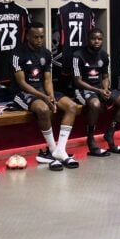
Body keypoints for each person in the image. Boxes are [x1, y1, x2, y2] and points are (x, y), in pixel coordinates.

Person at [12, 22, 79, 171]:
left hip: (42, 90)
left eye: (42, 37)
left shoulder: (46, 53)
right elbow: (22, 83)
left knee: (72, 107)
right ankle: (53, 151)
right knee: (43, 109)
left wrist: (51, 96)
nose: (39, 40)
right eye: (36, 37)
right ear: (28, 36)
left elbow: (48, 79)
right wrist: (43, 97)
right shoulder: (17, 54)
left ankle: (59, 150)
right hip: (23, 93)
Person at [72, 28, 120, 156]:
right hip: (83, 90)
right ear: (88, 39)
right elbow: (77, 81)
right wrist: (98, 90)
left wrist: (105, 89)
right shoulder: (78, 55)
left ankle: (110, 134)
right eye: (93, 39)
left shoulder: (104, 55)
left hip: (100, 88)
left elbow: (105, 76)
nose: (96, 41)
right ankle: (91, 139)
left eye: (99, 39)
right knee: (95, 104)